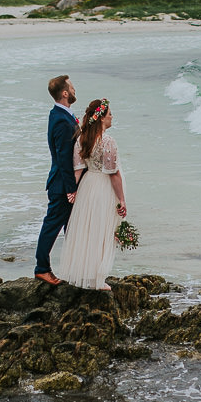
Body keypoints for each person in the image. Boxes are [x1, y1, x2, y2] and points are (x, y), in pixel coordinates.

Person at [54, 98, 126, 291]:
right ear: (102, 118)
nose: (112, 116)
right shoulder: (108, 141)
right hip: (103, 186)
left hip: (87, 186)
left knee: (87, 229)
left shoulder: (82, 139)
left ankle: (85, 274)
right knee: (102, 231)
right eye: (109, 113)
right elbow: (114, 174)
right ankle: (98, 278)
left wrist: (73, 190)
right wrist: (121, 199)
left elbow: (77, 169)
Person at [34, 75, 79, 285]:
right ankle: (42, 268)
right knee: (52, 226)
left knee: (73, 227)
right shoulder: (61, 120)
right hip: (61, 185)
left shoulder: (61, 115)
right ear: (64, 93)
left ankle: (75, 267)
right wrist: (71, 188)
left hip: (63, 183)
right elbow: (63, 157)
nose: (74, 89)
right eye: (71, 87)